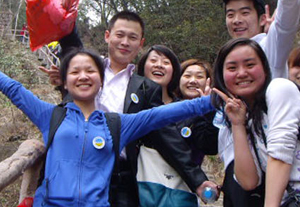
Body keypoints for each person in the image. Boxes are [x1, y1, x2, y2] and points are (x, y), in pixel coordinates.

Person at [1, 47, 215, 207]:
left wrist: (212, 101)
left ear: (101, 81)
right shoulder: (51, 115)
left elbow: (161, 115)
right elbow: (13, 89)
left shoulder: (117, 125)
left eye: (90, 71)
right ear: (65, 82)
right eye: (75, 72)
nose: (83, 76)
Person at [40, 11, 211, 206]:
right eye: (119, 35)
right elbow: (70, 39)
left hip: (120, 177)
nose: (125, 42)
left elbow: (165, 135)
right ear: (107, 36)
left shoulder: (146, 88)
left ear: (140, 43)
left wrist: (196, 179)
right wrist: (61, 4)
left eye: (132, 38)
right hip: (73, 169)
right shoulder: (86, 72)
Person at [218, 0, 300, 206]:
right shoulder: (228, 75)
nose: (237, 20)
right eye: (230, 14)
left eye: (245, 12)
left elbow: (286, 25)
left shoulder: (270, 53)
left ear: (263, 17)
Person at [212, 38, 300, 206]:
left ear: (265, 69)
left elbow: (280, 154)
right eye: (232, 68)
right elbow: (249, 182)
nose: (242, 73)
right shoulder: (246, 118)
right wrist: (238, 125)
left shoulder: (280, 89)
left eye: (250, 65)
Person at [137, 46, 219, 205]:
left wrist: (208, 109)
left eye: (199, 76)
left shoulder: (195, 115)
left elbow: (208, 145)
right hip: (141, 188)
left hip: (179, 192)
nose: (192, 80)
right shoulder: (134, 103)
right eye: (187, 75)